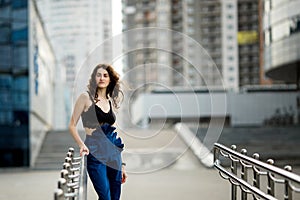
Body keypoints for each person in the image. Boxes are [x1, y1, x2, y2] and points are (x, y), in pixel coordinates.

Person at [69, 64, 127, 200]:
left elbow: (114, 134)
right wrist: (81, 145)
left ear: (110, 80)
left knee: (115, 196)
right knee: (105, 196)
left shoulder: (109, 100)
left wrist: (122, 165)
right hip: (94, 150)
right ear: (94, 78)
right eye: (98, 75)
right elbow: (72, 125)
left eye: (105, 75)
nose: (102, 78)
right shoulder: (85, 97)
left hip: (113, 152)